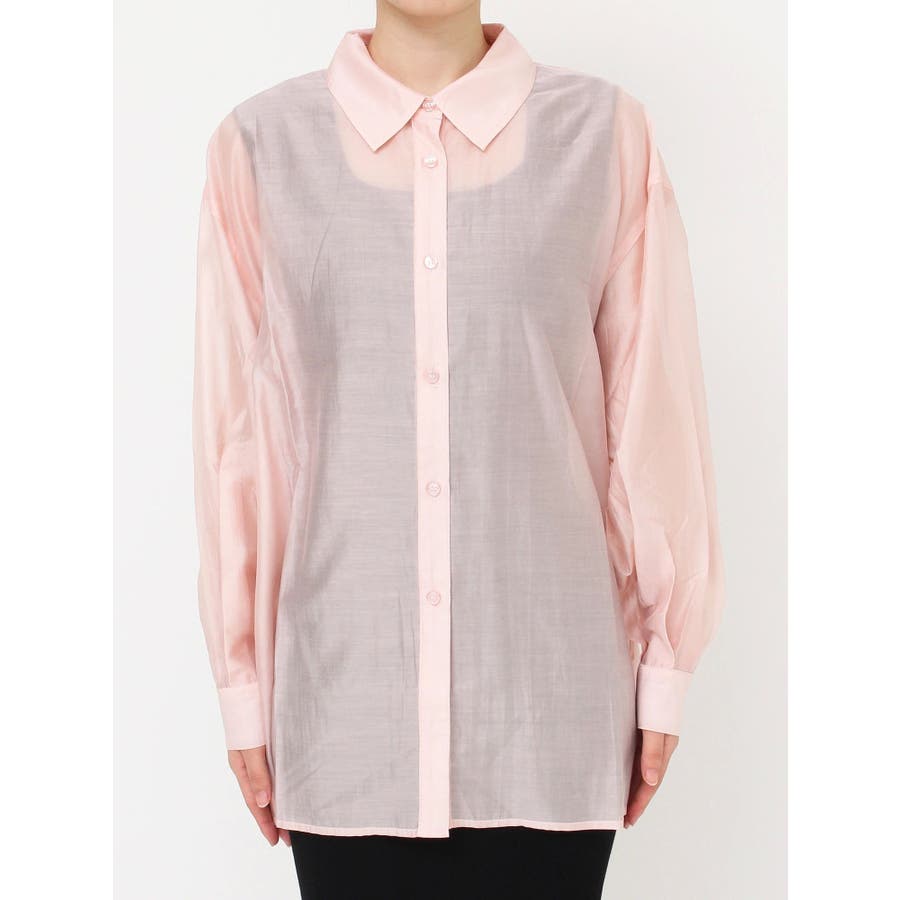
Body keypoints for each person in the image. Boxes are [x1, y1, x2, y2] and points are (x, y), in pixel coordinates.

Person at [191, 2, 726, 897]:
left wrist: (667, 665)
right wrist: (241, 682)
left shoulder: (604, 137)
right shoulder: (259, 148)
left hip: (549, 713)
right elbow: (240, 445)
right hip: (346, 715)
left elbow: (654, 419)